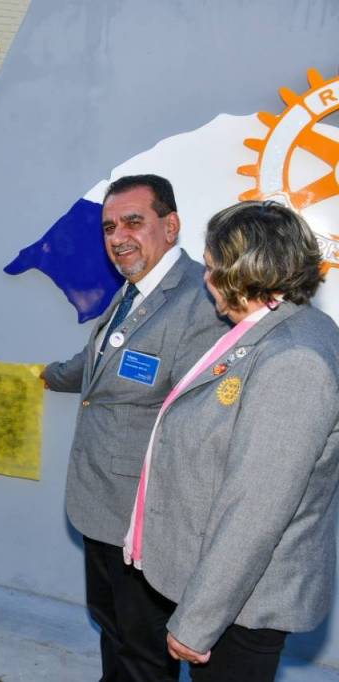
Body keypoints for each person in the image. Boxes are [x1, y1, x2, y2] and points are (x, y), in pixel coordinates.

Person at [123, 201, 339, 680]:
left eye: (213, 266)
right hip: (231, 591)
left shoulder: (294, 358)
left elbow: (255, 509)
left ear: (246, 271)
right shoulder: (273, 328)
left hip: (242, 603)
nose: (206, 278)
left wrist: (198, 622)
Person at [42, 174, 229, 681]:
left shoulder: (202, 300)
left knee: (144, 654)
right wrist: (45, 376)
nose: (118, 237)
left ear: (171, 226)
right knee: (113, 631)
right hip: (100, 506)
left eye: (132, 222)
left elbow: (199, 420)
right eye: (109, 227)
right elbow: (98, 363)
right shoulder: (131, 291)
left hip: (148, 517)